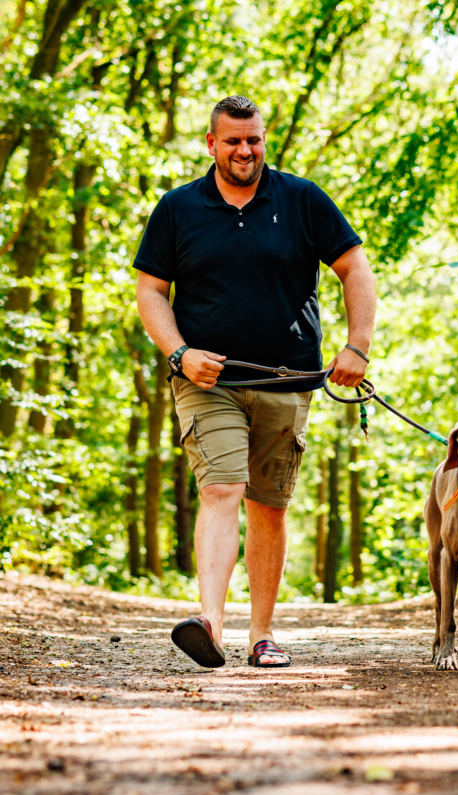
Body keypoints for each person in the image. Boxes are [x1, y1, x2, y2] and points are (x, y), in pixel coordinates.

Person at [134, 95, 376, 669]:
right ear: (211, 144)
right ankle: (210, 625)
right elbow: (150, 292)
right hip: (206, 381)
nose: (246, 151)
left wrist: (356, 346)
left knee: (269, 505)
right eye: (234, 141)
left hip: (288, 379)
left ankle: (262, 635)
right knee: (221, 489)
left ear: (263, 140)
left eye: (255, 140)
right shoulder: (177, 208)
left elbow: (355, 270)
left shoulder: (302, 199)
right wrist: (180, 353)